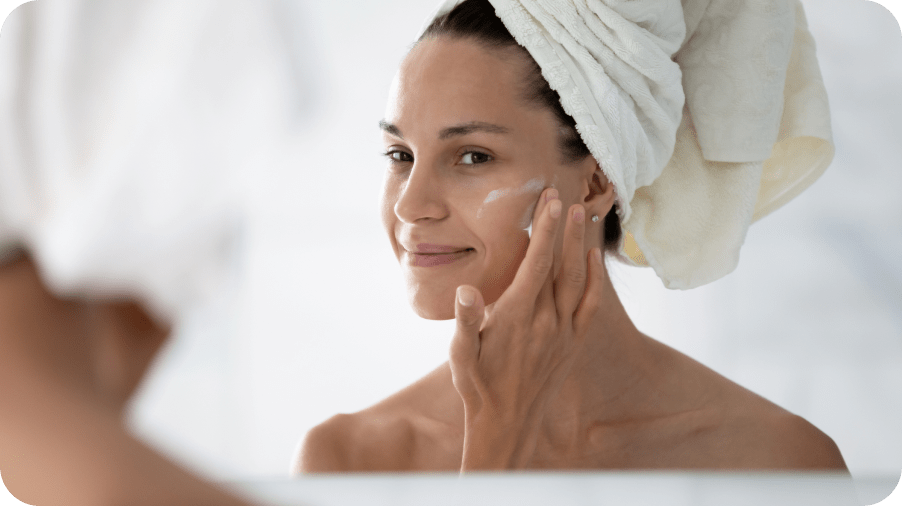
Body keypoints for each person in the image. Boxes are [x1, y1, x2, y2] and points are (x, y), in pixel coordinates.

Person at [294, 0, 848, 472]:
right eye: (400, 155)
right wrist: (496, 444)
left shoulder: (775, 463)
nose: (411, 205)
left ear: (596, 180)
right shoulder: (351, 462)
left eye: (472, 156)